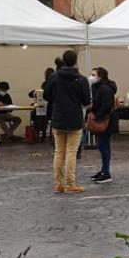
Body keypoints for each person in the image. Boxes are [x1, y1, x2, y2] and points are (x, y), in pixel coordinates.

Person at [44, 50, 92, 194]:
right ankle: (70, 183)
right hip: (74, 119)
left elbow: (46, 96)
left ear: (63, 61)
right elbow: (86, 101)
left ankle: (58, 184)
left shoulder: (54, 77)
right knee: (71, 152)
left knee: (59, 152)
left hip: (58, 118)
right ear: (76, 61)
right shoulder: (81, 79)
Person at [89, 67, 119, 183]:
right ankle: (104, 170)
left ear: (100, 76)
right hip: (104, 119)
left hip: (105, 121)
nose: (91, 77)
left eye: (94, 75)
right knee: (103, 146)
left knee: (103, 146)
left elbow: (106, 105)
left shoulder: (105, 88)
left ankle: (106, 173)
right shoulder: (100, 87)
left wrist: (97, 115)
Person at [29, 68, 55, 141]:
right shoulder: (49, 83)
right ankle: (42, 132)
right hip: (46, 107)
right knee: (40, 114)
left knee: (40, 114)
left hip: (49, 108)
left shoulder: (48, 84)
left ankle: (39, 131)